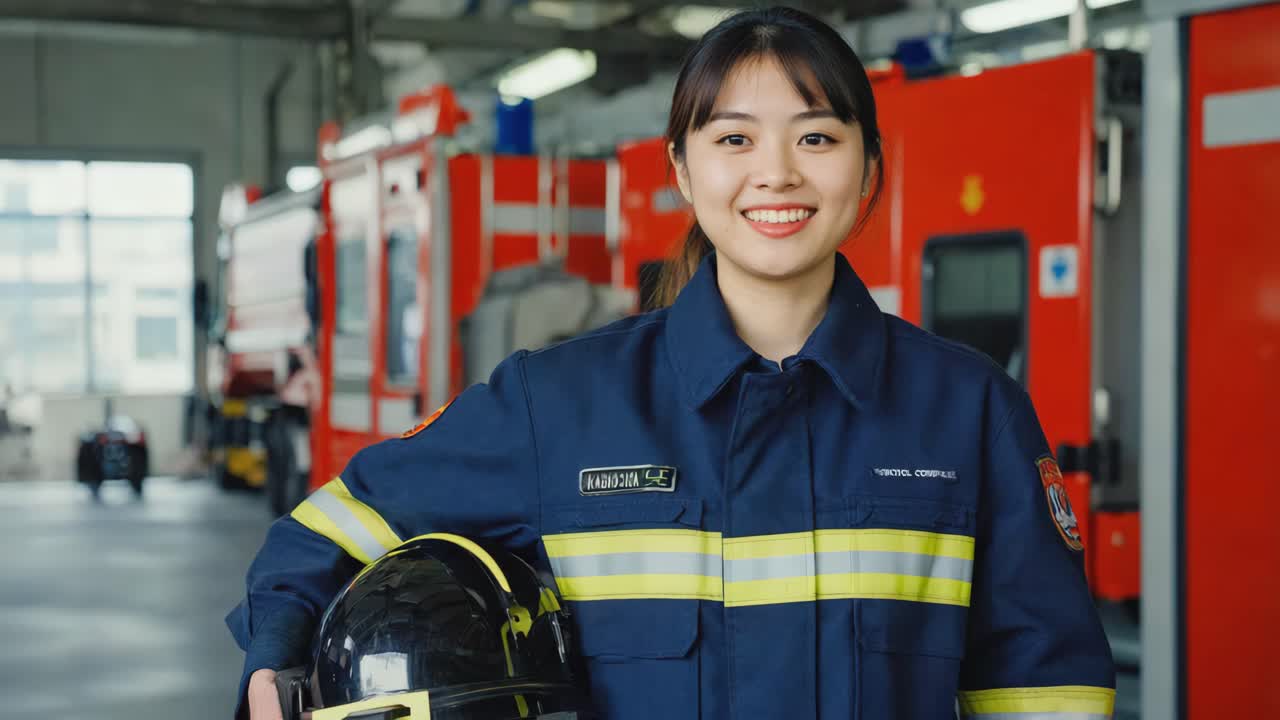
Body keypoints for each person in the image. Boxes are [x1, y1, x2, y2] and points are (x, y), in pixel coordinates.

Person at [228, 6, 1116, 719]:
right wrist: (274, 663)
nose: (777, 174)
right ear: (683, 172)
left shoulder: (970, 412)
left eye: (816, 137)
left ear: (869, 167)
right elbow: (322, 536)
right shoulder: (560, 406)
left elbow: (1048, 689)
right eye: (734, 140)